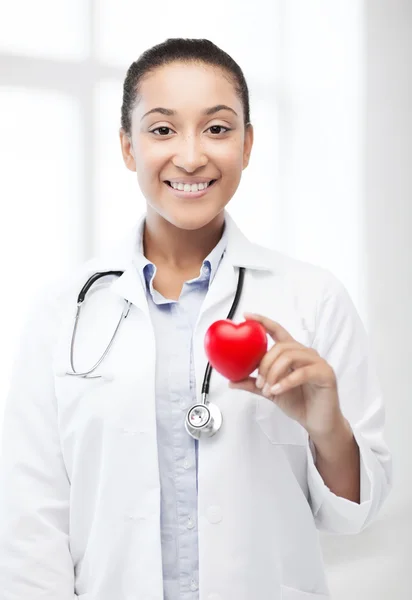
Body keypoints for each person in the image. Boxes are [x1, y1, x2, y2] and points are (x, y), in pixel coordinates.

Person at [0, 38, 391, 600]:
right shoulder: (61, 311)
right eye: (161, 129)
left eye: (217, 128)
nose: (190, 156)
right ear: (128, 147)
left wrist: (327, 428)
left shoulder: (314, 297)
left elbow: (356, 516)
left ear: (248, 143)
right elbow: (31, 521)